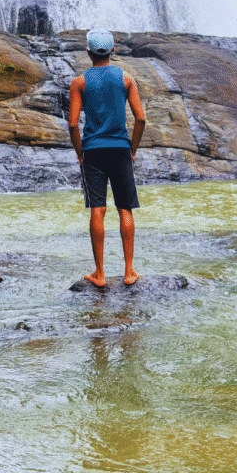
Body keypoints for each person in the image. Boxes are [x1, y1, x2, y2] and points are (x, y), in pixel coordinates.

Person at [68, 29, 146, 287]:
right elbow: (141, 118)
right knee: (125, 208)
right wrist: (132, 149)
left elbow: (72, 124)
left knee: (98, 210)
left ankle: (100, 274)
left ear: (88, 52)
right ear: (113, 51)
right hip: (120, 148)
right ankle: (129, 272)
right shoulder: (126, 79)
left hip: (93, 150)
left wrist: (80, 153)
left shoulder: (79, 82)